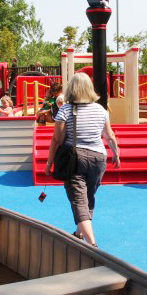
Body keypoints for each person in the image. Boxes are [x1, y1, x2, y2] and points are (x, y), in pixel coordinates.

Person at [44, 73, 120, 248]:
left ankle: (92, 245)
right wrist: (116, 153)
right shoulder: (100, 110)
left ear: (71, 89)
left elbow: (57, 140)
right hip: (99, 158)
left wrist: (49, 163)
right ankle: (79, 233)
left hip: (76, 159)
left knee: (79, 200)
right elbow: (109, 135)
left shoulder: (65, 110)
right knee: (88, 196)